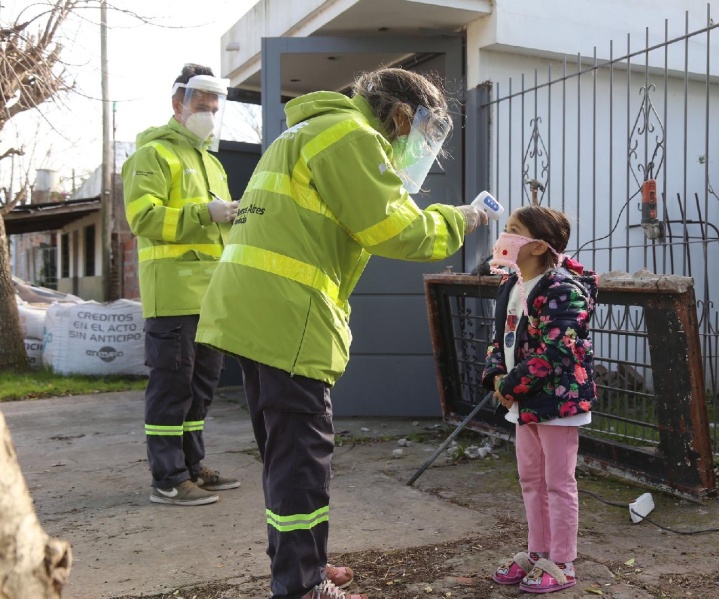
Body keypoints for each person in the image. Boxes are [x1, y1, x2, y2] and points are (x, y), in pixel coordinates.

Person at [195, 67, 488, 599]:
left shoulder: (306, 131)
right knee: (302, 460)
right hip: (288, 316)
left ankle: (301, 566)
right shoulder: (352, 136)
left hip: (250, 310)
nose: (414, 142)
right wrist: (459, 219)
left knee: (285, 457)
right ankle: (302, 585)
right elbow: (394, 229)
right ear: (401, 114)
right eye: (419, 129)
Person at [122, 63, 242, 507]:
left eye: (214, 107)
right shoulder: (151, 156)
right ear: (178, 105)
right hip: (172, 296)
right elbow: (143, 219)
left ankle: (192, 467)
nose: (208, 114)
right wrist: (204, 214)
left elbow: (219, 231)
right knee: (172, 388)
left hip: (210, 295)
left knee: (200, 387)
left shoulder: (210, 161)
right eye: (200, 105)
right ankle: (167, 478)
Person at [481, 205, 599, 594]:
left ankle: (563, 561)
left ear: (536, 245)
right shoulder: (511, 286)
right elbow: (499, 339)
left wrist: (510, 386)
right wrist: (497, 376)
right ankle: (537, 553)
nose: (505, 236)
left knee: (558, 482)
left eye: (514, 230)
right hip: (523, 401)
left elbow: (556, 351)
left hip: (557, 403)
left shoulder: (562, 289)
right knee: (531, 479)